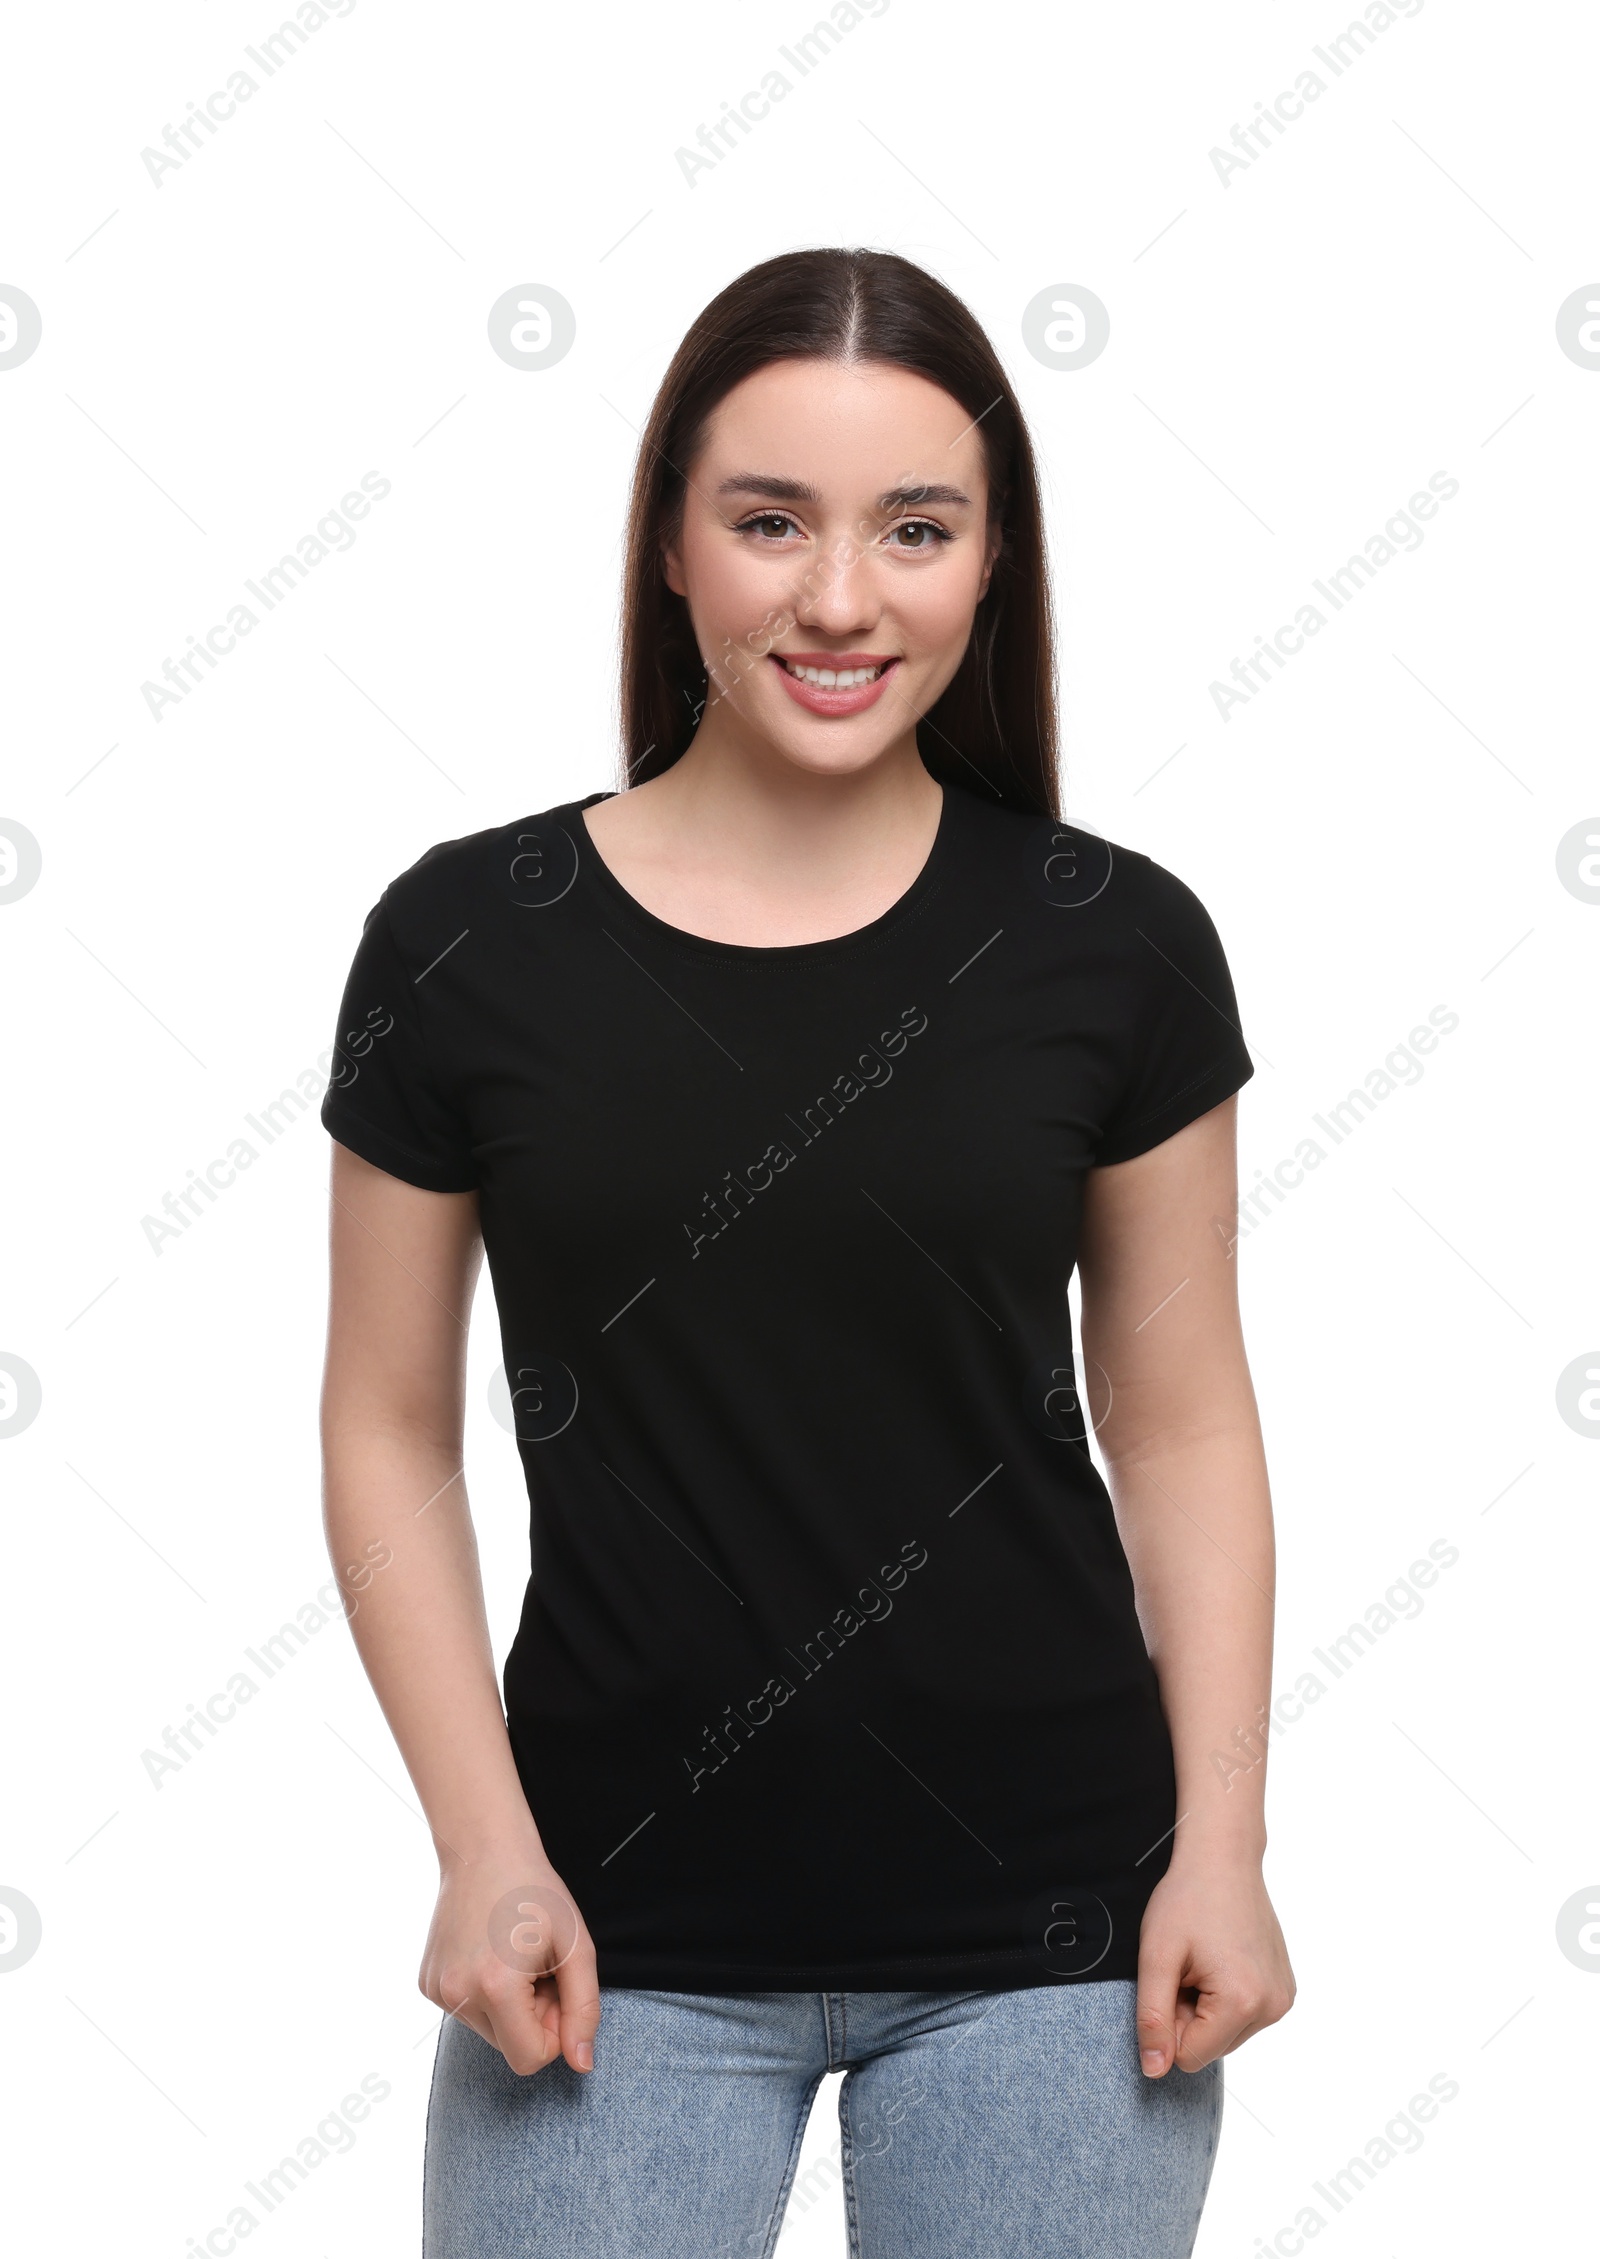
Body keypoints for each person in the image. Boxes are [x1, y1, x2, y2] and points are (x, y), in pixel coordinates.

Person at [318, 246, 1295, 2259]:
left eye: (912, 528)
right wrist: (480, 1847)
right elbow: (383, 1421)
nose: (838, 599)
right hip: (604, 1934)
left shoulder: (1110, 943)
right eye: (768, 521)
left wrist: (1222, 1840)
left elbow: (1183, 1421)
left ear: (989, 561)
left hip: (1051, 1939)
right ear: (671, 546)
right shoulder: (464, 942)